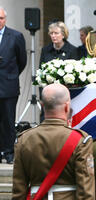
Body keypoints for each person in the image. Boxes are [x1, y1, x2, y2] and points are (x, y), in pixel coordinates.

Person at [0, 6, 26, 164]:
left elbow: (21, 61)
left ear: (5, 19)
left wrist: (11, 75)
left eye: (1, 18)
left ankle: (9, 152)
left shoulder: (16, 36)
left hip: (8, 85)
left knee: (8, 120)